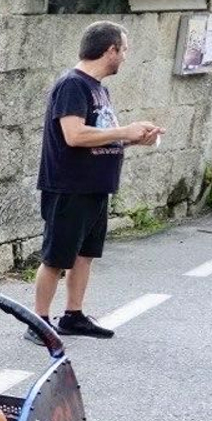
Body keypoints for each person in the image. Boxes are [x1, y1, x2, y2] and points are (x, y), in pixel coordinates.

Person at [28, 21, 161, 340]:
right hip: (69, 186)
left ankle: (73, 315)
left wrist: (133, 139)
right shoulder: (72, 84)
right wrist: (123, 131)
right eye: (124, 49)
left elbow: (98, 136)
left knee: (84, 254)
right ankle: (38, 322)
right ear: (110, 49)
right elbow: (73, 135)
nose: (126, 56)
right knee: (56, 256)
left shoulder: (99, 88)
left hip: (94, 186)